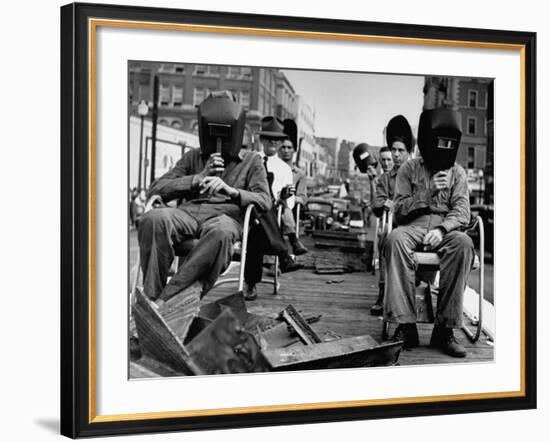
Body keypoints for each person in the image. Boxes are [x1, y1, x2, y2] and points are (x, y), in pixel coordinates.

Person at [137, 91, 271, 303]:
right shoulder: (193, 156)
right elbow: (157, 188)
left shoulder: (252, 160)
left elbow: (265, 200)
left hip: (225, 217)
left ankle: (165, 301)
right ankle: (153, 296)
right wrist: (197, 178)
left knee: (222, 233)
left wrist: (231, 191)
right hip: (188, 214)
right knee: (153, 218)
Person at [384, 108, 474, 358]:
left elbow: (462, 211)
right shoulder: (409, 169)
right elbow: (399, 210)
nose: (444, 147)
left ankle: (444, 330)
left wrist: (442, 228)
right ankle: (405, 324)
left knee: (464, 244)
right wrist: (427, 191)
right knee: (394, 240)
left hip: (446, 228)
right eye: (439, 141)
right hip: (412, 225)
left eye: (449, 143)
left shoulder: (457, 172)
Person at [243, 116, 304, 301]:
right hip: (247, 208)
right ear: (261, 140)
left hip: (269, 214)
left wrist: (284, 197)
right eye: (269, 138)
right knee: (258, 208)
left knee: (258, 229)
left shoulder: (285, 169)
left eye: (277, 140)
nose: (273, 143)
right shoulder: (249, 159)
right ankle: (284, 254)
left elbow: (290, 204)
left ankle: (251, 284)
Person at [369, 115, 413, 315]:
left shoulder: (416, 175)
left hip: (414, 227)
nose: (396, 155)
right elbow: (376, 203)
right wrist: (385, 203)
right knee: (385, 239)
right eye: (393, 150)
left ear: (408, 152)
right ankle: (382, 293)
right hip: (392, 226)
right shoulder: (386, 178)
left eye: (400, 150)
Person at [278, 119, 308, 255]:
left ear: (294, 150)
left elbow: (303, 198)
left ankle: (292, 241)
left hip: (287, 208)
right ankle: (293, 240)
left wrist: (290, 198)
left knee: (284, 205)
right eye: (283, 147)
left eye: (289, 148)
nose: (286, 151)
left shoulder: (299, 174)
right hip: (270, 204)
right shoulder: (273, 169)